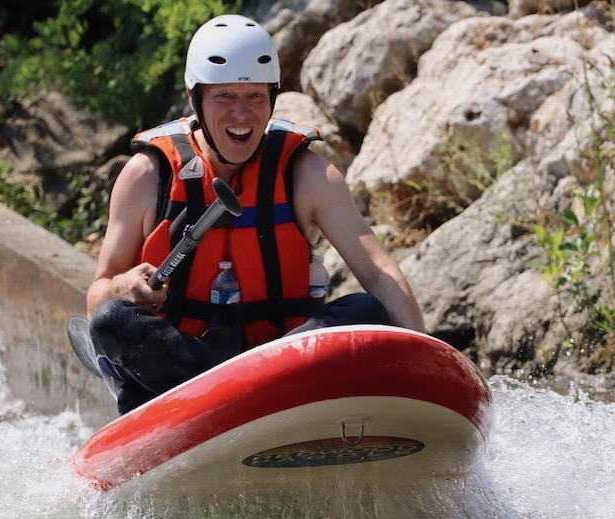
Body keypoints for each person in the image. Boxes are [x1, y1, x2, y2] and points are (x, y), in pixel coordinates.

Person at [86, 14, 425, 414]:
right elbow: (97, 297)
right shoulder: (146, 176)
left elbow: (379, 274)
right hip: (182, 376)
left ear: (273, 97)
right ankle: (231, 401)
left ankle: (256, 399)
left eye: (255, 96)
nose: (241, 114)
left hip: (283, 365)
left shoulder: (309, 175)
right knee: (111, 320)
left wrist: (427, 366)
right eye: (224, 96)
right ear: (194, 97)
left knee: (366, 310)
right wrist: (122, 286)